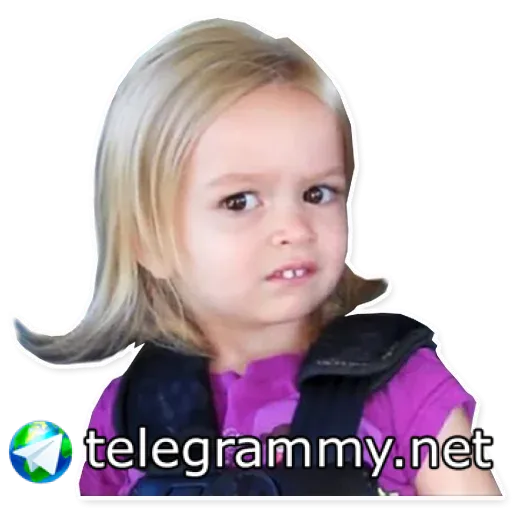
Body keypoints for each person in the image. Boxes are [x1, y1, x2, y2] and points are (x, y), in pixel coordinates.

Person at [13, 16, 503, 498]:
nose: (294, 228)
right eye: (240, 201)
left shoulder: (404, 386)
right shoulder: (129, 412)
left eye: (317, 193)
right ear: (149, 242)